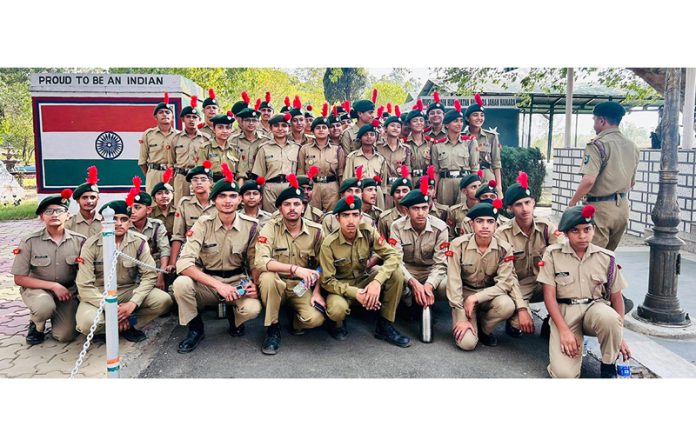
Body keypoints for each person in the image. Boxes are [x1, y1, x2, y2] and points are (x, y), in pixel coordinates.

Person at [173, 165, 262, 353]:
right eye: (222, 196)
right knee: (181, 284)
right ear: (213, 201)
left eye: (232, 196)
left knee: (252, 309)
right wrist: (218, 286)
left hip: (237, 281)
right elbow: (183, 263)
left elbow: (255, 261)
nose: (227, 201)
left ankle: (235, 318)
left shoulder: (252, 226)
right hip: (208, 283)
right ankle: (195, 329)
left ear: (240, 199)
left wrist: (255, 283)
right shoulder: (203, 224)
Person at [537, 204, 631, 378]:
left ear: (593, 230)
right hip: (565, 313)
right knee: (564, 375)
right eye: (575, 231)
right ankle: (564, 343)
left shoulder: (606, 257)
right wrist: (564, 331)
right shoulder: (552, 255)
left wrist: (619, 336)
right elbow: (549, 297)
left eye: (587, 229)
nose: (582, 236)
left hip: (595, 309)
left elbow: (617, 299)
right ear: (565, 234)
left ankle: (608, 366)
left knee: (609, 318)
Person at [75, 193, 173, 343]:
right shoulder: (91, 245)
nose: (119, 223)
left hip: (128, 290)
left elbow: (149, 276)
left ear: (129, 222)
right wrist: (111, 308)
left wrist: (132, 304)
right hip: (99, 294)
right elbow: (84, 285)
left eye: (124, 219)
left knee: (163, 300)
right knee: (86, 324)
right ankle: (118, 324)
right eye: (114, 219)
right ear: (103, 222)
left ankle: (128, 323)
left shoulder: (139, 241)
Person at [319, 195, 410, 347]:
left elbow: (393, 255)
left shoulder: (369, 232)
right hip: (342, 288)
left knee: (396, 274)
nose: (351, 220)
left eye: (355, 215)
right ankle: (337, 324)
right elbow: (327, 281)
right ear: (337, 218)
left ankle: (384, 325)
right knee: (337, 310)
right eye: (346, 215)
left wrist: (376, 281)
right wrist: (356, 293)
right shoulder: (329, 244)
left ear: (361, 217)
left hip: (364, 280)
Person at [255, 175, 326, 354]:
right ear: (280, 208)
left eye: (296, 204)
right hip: (277, 281)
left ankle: (295, 319)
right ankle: (273, 328)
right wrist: (295, 269)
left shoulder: (316, 231)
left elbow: (324, 264)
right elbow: (261, 261)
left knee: (315, 319)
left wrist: (317, 292)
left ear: (303, 207)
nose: (292, 208)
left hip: (301, 286)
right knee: (268, 277)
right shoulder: (270, 227)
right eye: (287, 204)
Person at [11, 190, 85, 344]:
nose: (54, 215)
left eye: (59, 210)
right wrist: (53, 286)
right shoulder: (30, 242)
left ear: (68, 215)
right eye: (48, 211)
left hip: (67, 292)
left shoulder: (80, 241)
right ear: (41, 217)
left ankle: (57, 316)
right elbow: (19, 278)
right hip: (38, 290)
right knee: (44, 306)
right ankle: (37, 324)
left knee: (65, 336)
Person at [446, 200, 520, 350]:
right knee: (467, 344)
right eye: (479, 221)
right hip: (465, 294)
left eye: (490, 221)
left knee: (507, 305)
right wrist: (460, 313)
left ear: (496, 225)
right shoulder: (458, 245)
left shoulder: (504, 248)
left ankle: (484, 329)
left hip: (489, 294)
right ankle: (469, 321)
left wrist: (476, 298)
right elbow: (453, 282)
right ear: (471, 224)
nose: (485, 226)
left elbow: (504, 284)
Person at [495, 171, 561, 337]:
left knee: (568, 286)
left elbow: (564, 254)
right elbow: (508, 275)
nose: (525, 209)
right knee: (519, 322)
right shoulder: (503, 234)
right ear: (510, 208)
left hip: (544, 283)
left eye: (527, 202)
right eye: (518, 204)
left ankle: (551, 321)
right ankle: (513, 318)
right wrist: (522, 308)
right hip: (519, 285)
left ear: (534, 203)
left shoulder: (546, 227)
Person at [568, 101, 640, 252]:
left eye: (594, 120)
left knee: (591, 257)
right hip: (622, 209)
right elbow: (632, 182)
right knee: (608, 257)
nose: (594, 124)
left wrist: (572, 204)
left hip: (600, 209)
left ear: (602, 120)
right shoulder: (632, 146)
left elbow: (588, 180)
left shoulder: (597, 145)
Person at [389, 178, 449, 341]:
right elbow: (396, 260)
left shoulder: (440, 227)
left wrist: (428, 286)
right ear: (407, 210)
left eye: (424, 208)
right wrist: (413, 284)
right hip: (408, 270)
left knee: (447, 285)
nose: (421, 213)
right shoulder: (396, 226)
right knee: (394, 278)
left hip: (430, 271)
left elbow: (440, 264)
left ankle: (427, 302)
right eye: (416, 209)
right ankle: (409, 303)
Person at [297, 103, 346, 212]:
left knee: (331, 216)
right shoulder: (305, 149)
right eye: (318, 128)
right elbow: (301, 171)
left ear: (329, 131)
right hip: (312, 188)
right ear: (313, 131)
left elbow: (341, 173)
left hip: (332, 188)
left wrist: (342, 192)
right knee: (311, 215)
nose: (321, 130)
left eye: (324, 127)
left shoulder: (337, 150)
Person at [169, 162, 216, 270]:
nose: (199, 182)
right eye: (195, 179)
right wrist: (172, 263)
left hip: (215, 255)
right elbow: (178, 236)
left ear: (211, 182)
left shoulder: (219, 203)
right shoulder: (185, 204)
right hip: (191, 255)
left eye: (203, 179)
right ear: (191, 184)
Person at [128, 179, 173, 292]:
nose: (132, 212)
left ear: (148, 210)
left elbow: (165, 250)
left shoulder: (156, 225)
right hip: (131, 266)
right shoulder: (124, 226)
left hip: (153, 265)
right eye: (130, 208)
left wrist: (161, 275)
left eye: (137, 208)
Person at [431, 100, 478, 206]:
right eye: (455, 121)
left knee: (462, 213)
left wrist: (474, 188)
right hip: (445, 184)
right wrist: (434, 190)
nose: (459, 124)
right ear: (447, 125)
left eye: (461, 121)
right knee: (444, 213)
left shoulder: (470, 142)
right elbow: (436, 172)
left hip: (463, 183)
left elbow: (474, 169)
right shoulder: (437, 145)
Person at [252, 113, 301, 213]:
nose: (280, 129)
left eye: (284, 125)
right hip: (270, 188)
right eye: (276, 125)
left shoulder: (296, 148)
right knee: (271, 218)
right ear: (270, 128)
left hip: (289, 186)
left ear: (289, 128)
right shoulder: (264, 148)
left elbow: (300, 171)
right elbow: (259, 175)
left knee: (290, 215)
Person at [170, 96, 209, 204]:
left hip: (200, 179)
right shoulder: (175, 139)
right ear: (182, 119)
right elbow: (171, 163)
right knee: (181, 206)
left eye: (194, 117)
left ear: (199, 119)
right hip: (182, 178)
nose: (192, 120)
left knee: (202, 206)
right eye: (188, 117)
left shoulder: (206, 139)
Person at [464, 93, 503, 198]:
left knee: (488, 204)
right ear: (468, 119)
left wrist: (499, 187)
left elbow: (496, 163)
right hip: (469, 176)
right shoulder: (462, 137)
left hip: (487, 175)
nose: (479, 118)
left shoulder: (491, 137)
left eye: (482, 115)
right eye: (475, 115)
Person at [344, 119, 389, 209]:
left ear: (375, 137)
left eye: (372, 134)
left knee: (378, 216)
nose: (369, 137)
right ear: (360, 138)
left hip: (376, 192)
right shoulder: (352, 157)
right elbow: (347, 180)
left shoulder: (380, 158)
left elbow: (383, 183)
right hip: (359, 191)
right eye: (365, 135)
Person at [139, 93, 179, 192]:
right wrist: (151, 174)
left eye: (167, 112)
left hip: (174, 175)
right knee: (153, 204)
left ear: (172, 117)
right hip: (154, 174)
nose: (164, 114)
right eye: (161, 112)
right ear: (155, 117)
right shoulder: (148, 135)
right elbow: (142, 162)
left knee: (174, 204)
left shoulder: (179, 135)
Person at [376, 106, 412, 209]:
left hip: (400, 189)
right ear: (385, 128)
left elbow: (407, 170)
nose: (395, 128)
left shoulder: (405, 149)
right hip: (384, 188)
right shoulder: (377, 147)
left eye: (398, 126)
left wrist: (409, 189)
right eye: (392, 125)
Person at [321, 168, 375, 234]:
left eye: (357, 191)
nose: (353, 194)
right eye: (349, 191)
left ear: (361, 195)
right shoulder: (330, 219)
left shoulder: (368, 221)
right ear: (342, 195)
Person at [230, 103, 269, 182]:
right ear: (242, 122)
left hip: (260, 180)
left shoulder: (266, 141)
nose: (251, 123)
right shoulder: (233, 141)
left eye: (254, 120)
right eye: (247, 120)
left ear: (258, 123)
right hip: (239, 180)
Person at [197, 112, 239, 182]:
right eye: (220, 127)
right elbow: (200, 172)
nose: (224, 131)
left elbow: (240, 173)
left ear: (231, 130)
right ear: (213, 129)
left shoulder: (235, 149)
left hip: (231, 184)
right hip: (212, 184)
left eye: (228, 127)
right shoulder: (205, 148)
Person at [65, 165, 103, 238]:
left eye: (93, 197)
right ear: (77, 200)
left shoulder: (105, 222)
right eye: (84, 198)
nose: (89, 201)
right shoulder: (68, 223)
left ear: (97, 199)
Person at [446, 171, 482, 239]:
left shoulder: (487, 209)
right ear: (464, 191)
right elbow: (450, 236)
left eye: (480, 186)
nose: (478, 190)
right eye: (474, 187)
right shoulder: (454, 211)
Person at [377, 173, 412, 239]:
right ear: (393, 197)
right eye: (397, 192)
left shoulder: (416, 215)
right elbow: (381, 245)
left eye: (405, 191)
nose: (401, 195)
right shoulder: (385, 218)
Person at [403, 99, 431, 178]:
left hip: (427, 180)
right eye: (415, 121)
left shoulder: (430, 143)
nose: (419, 123)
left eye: (421, 120)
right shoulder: (404, 143)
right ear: (409, 124)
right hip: (411, 179)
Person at [149, 168, 177, 238]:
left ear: (172, 196)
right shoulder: (149, 213)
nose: (164, 196)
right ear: (154, 198)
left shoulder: (179, 212)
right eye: (159, 193)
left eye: (167, 193)